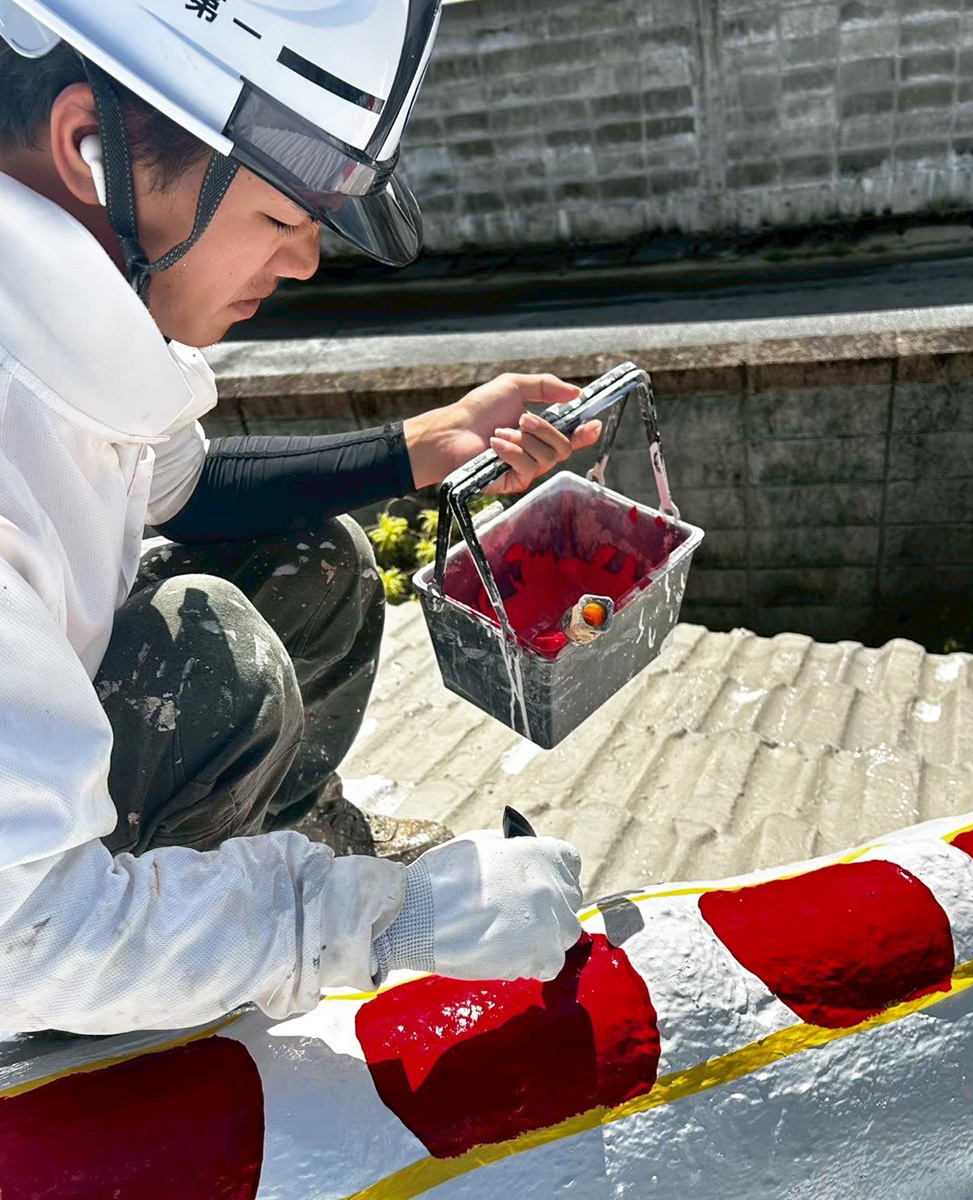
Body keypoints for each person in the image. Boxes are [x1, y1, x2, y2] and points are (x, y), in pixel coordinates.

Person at [0, 1, 600, 1035]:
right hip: (27, 933)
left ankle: (286, 845)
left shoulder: (55, 335)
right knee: (219, 661)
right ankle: (143, 996)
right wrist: (387, 921)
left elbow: (184, 488)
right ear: (88, 151)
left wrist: (434, 439)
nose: (306, 264)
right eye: (280, 221)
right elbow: (17, 938)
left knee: (312, 565)